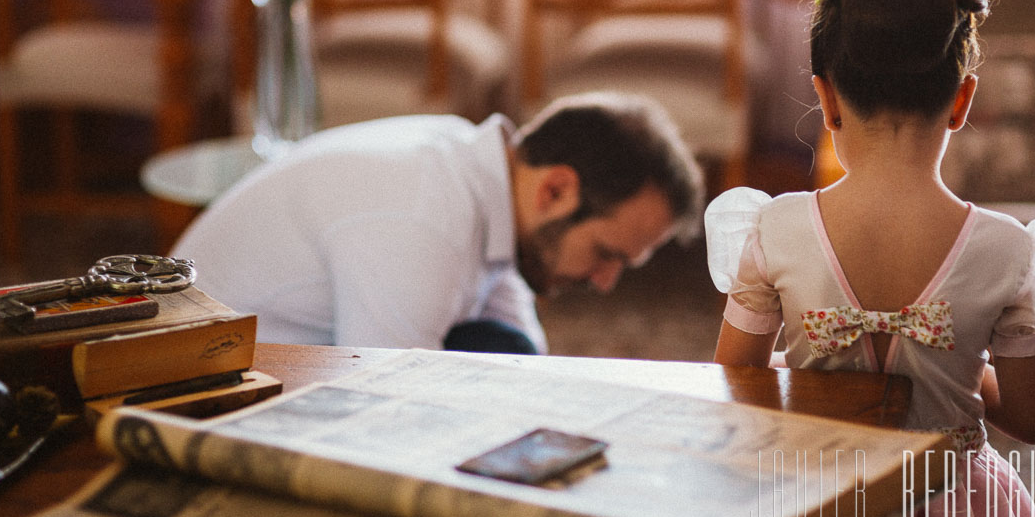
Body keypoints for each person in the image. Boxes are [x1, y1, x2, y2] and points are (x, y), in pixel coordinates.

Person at [704, 0, 1035, 517]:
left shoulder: (772, 228)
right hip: (961, 514)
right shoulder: (1008, 249)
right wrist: (959, 367)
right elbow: (1030, 420)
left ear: (824, 99)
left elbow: (734, 386)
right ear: (961, 101)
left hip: (815, 500)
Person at [173, 91, 704, 354]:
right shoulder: (424, 219)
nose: (605, 282)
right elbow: (388, 415)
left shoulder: (483, 170)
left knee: (505, 358)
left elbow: (528, 360)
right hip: (194, 380)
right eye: (607, 254)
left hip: (274, 353)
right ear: (556, 190)